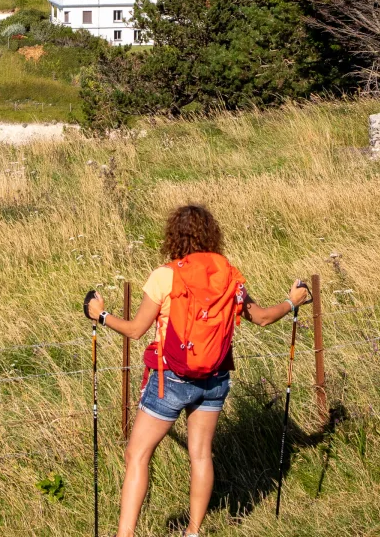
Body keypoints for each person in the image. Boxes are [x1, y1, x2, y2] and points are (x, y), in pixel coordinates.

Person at [84, 203, 311, 537]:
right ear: (211, 235)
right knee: (201, 455)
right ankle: (193, 532)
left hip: (171, 378)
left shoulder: (165, 275)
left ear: (173, 236)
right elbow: (261, 317)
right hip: (215, 377)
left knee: (137, 453)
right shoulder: (229, 275)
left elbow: (135, 330)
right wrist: (294, 300)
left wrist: (100, 315)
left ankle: (125, 535)